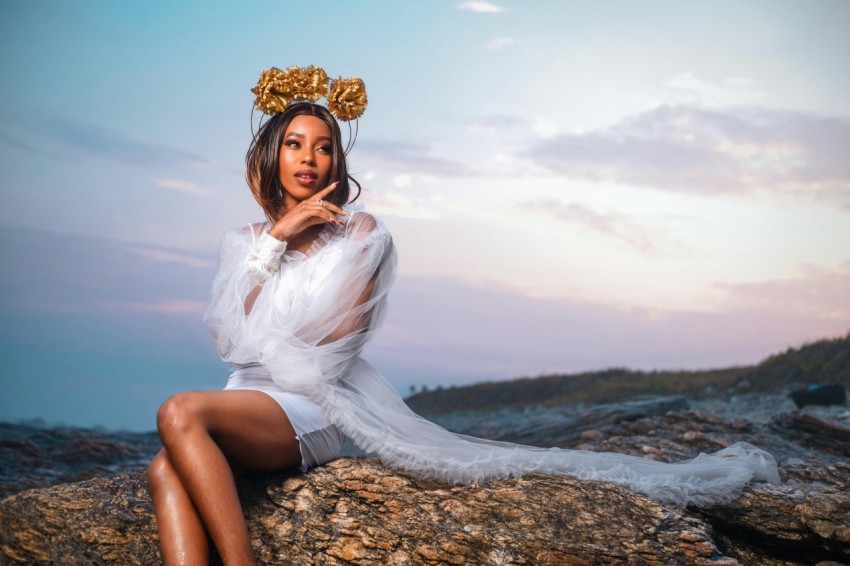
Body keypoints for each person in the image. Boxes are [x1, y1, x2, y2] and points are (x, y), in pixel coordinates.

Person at [147, 65, 780, 565]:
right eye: (294, 144)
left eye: (323, 147)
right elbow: (231, 342)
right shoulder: (248, 241)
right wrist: (277, 238)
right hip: (246, 400)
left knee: (178, 411)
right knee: (163, 467)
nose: (308, 158)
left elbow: (333, 348)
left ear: (338, 163)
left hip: (313, 407)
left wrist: (265, 333)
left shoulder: (363, 234)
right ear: (274, 154)